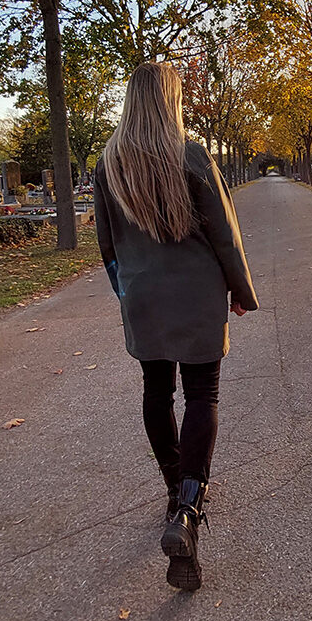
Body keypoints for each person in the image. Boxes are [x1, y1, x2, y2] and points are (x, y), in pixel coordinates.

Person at [94, 61, 259, 592]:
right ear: (170, 100)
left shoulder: (108, 162)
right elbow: (225, 234)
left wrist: (128, 292)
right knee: (202, 393)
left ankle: (173, 490)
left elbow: (105, 244)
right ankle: (187, 509)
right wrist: (240, 290)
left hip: (143, 295)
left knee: (156, 391)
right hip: (196, 294)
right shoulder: (189, 155)